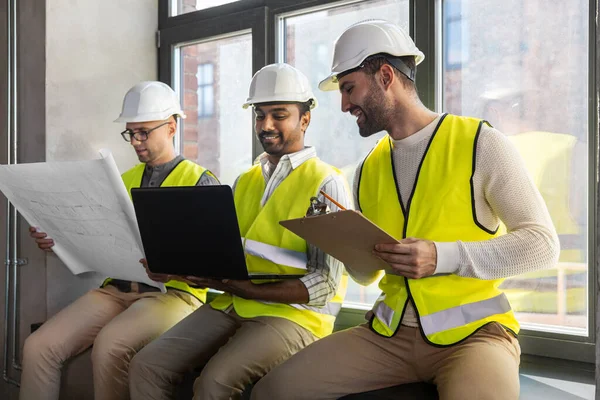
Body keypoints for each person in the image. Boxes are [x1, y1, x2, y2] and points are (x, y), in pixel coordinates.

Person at [251, 20, 560, 400]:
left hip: (476, 336)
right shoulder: (368, 168)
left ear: (384, 76)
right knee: (273, 392)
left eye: (349, 89)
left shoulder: (481, 142)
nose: (345, 105)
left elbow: (542, 245)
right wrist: (340, 241)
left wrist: (439, 257)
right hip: (388, 335)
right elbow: (365, 276)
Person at [128, 63, 352, 400]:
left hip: (295, 316)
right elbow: (224, 254)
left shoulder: (326, 183)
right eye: (260, 115)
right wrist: (181, 271)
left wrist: (248, 290)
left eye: (279, 115)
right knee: (147, 364)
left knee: (214, 382)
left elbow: (325, 284)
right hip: (234, 301)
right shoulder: (245, 180)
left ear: (305, 119)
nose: (266, 125)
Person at [20, 81, 219, 400]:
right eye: (131, 133)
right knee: (39, 346)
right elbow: (97, 243)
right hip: (116, 290)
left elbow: (212, 260)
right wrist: (56, 242)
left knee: (111, 344)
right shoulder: (120, 181)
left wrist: (171, 267)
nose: (136, 142)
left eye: (144, 132)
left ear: (171, 127)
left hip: (174, 296)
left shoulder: (201, 182)